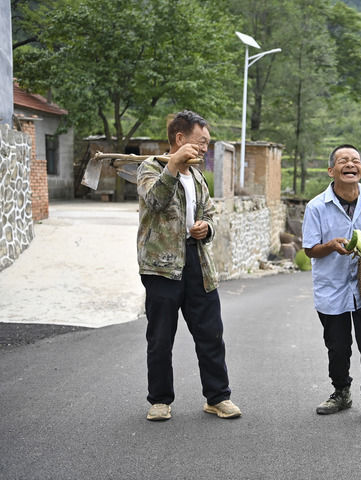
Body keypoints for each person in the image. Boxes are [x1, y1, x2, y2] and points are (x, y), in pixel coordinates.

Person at [136, 110, 242, 421]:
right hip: (161, 267)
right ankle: (159, 400)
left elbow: (210, 214)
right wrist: (173, 166)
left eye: (208, 143)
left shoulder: (197, 177)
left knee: (211, 334)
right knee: (160, 338)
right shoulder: (149, 168)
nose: (205, 148)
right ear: (180, 138)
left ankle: (218, 398)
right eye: (201, 142)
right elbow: (154, 201)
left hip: (198, 263)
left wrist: (206, 228)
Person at [302, 144, 361, 421]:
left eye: (355, 160)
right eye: (343, 160)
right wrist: (330, 246)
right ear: (331, 170)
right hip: (332, 288)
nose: (350, 164)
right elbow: (310, 249)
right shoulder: (316, 206)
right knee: (338, 347)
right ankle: (341, 392)